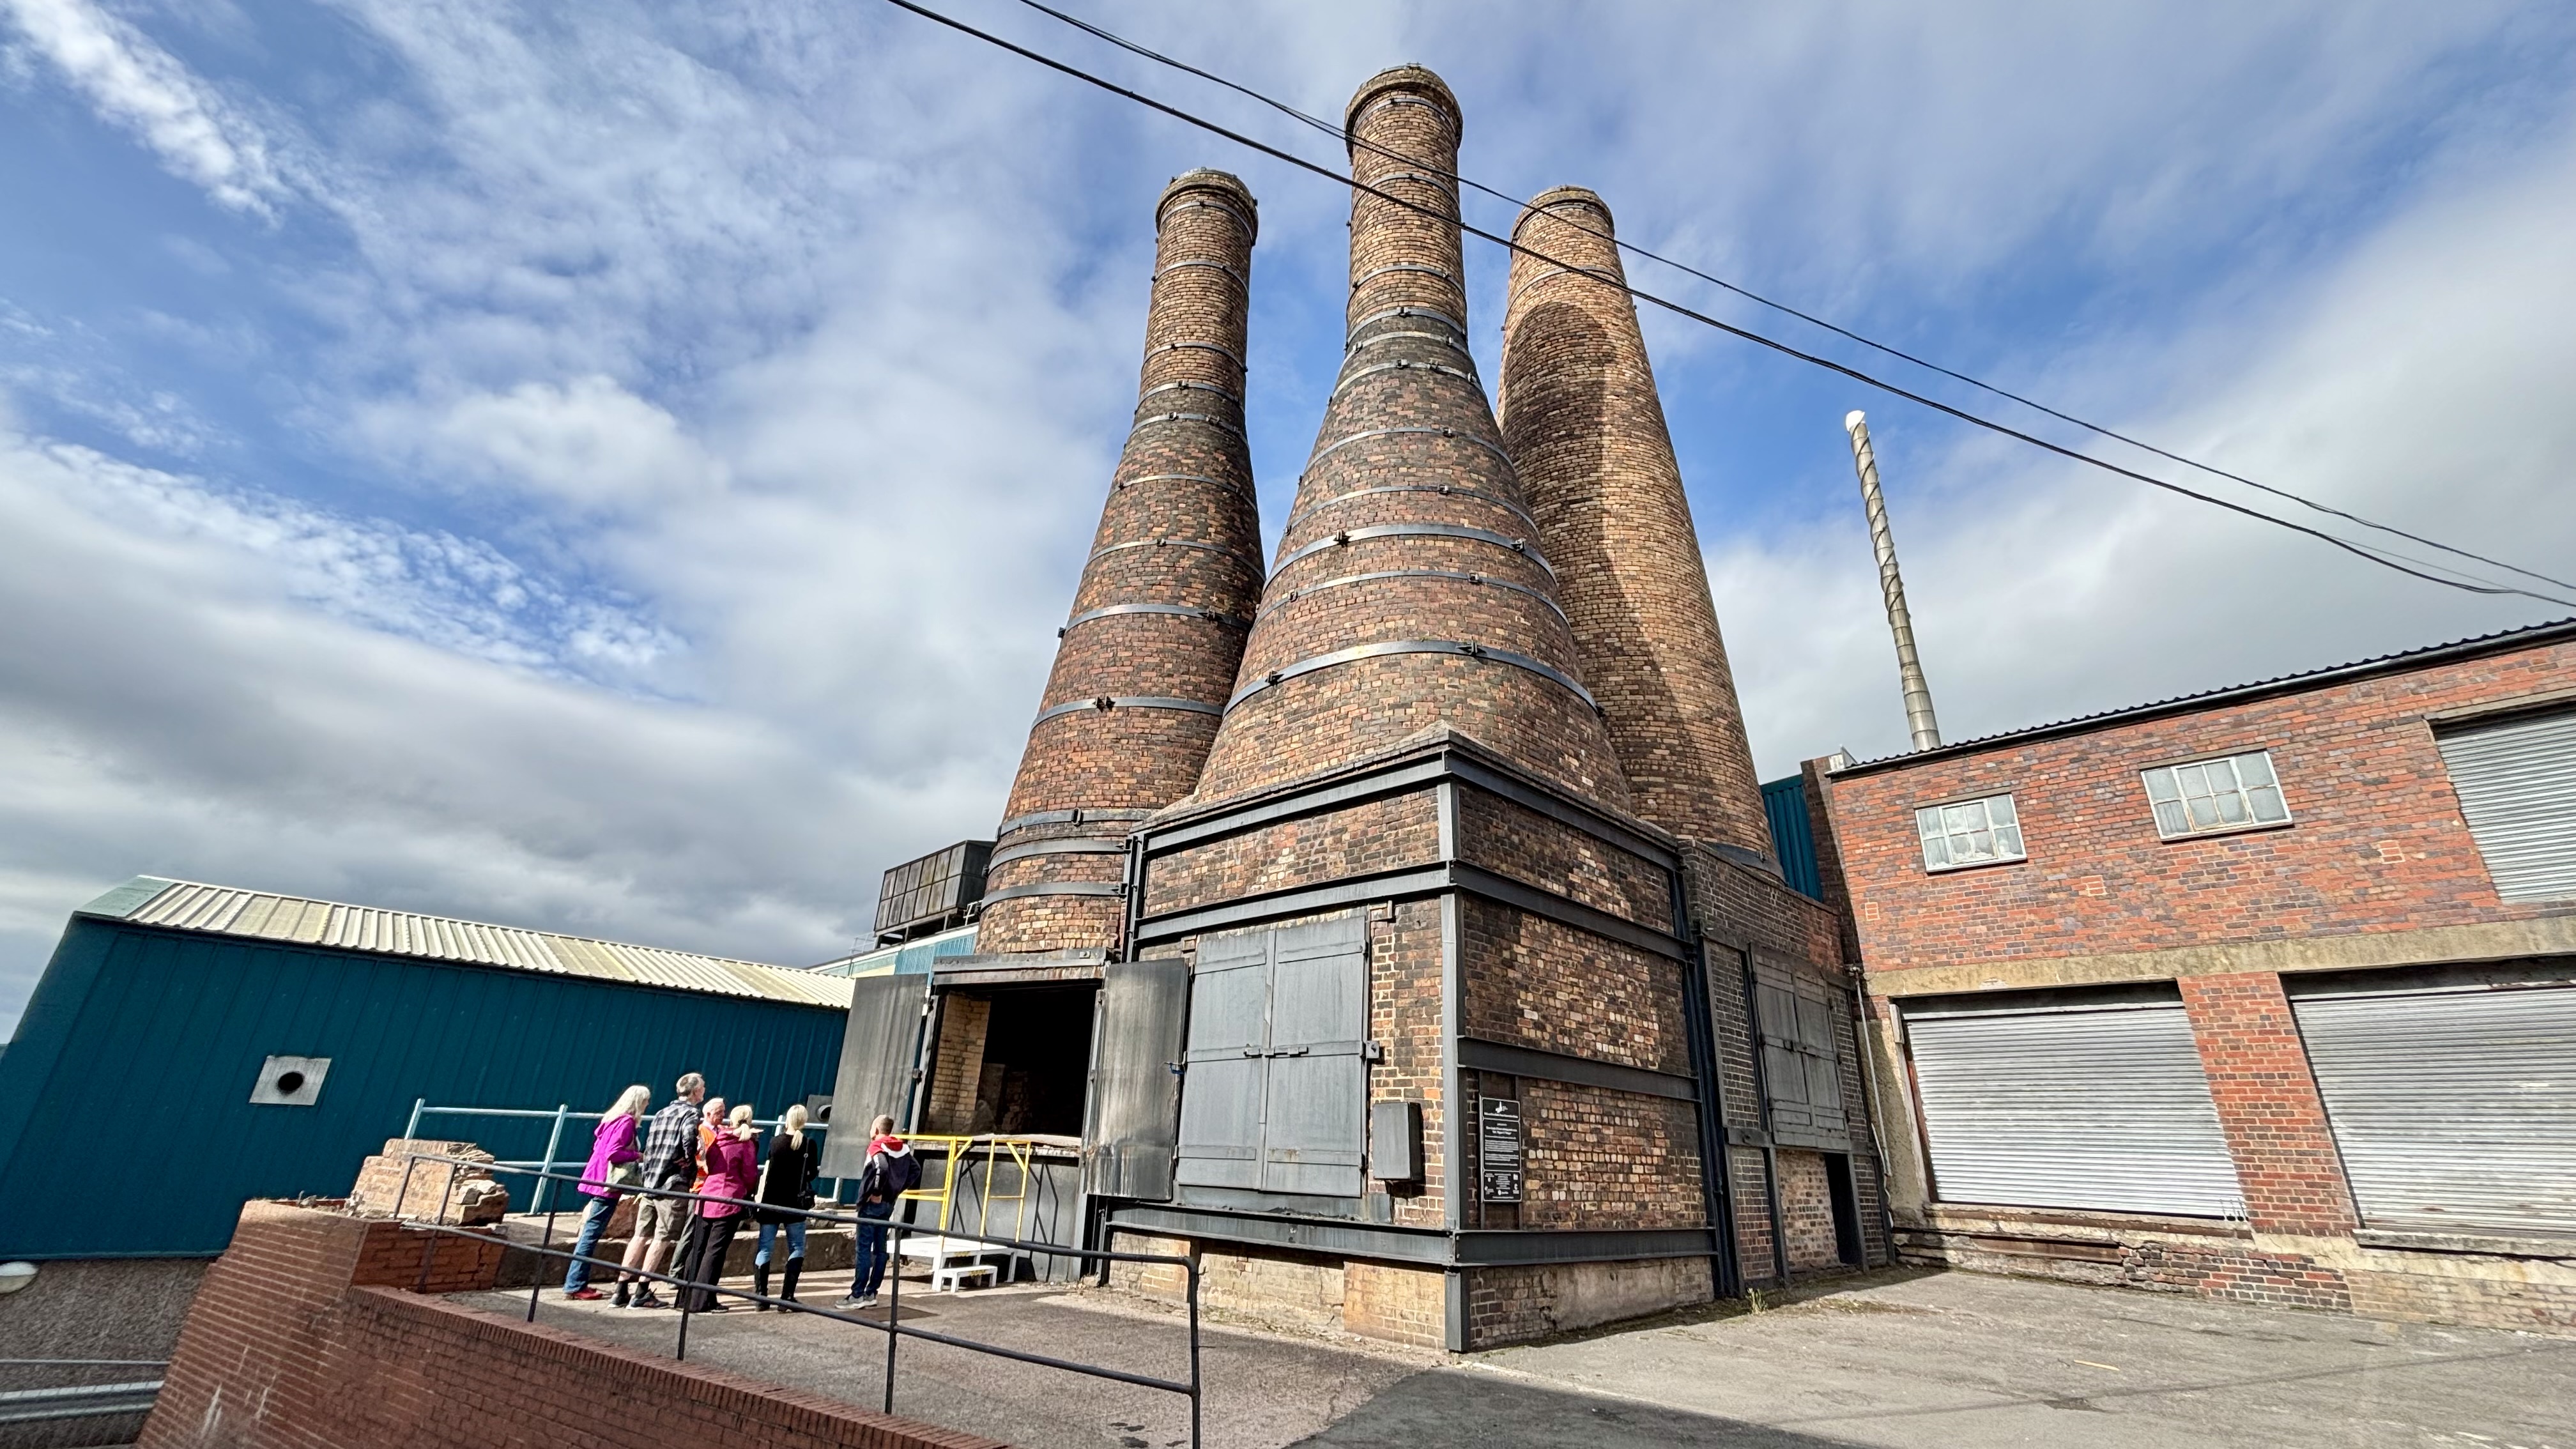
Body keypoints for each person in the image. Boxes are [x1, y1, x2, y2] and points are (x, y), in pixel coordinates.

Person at [616, 1072, 705, 1310]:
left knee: (640, 1235)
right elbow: (689, 1141)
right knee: (662, 1237)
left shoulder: (662, 1112)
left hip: (650, 1181)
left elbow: (650, 1144)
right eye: (703, 1086)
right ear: (696, 1091)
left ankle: (621, 1289)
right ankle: (643, 1290)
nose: (704, 1090)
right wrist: (690, 1161)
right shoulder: (691, 1113)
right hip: (671, 1182)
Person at [562, 1084, 650, 1301]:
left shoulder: (611, 1119)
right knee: (591, 1235)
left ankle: (575, 1283)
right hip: (607, 1184)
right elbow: (614, 1153)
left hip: (597, 1177)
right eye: (646, 1101)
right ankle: (575, 1285)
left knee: (589, 1234)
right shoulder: (627, 1122)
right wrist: (638, 1156)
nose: (648, 1105)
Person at [679, 1104, 761, 1313]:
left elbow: (709, 1165)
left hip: (707, 1196)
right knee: (715, 1251)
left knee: (697, 1248)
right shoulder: (746, 1144)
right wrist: (747, 1190)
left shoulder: (719, 1138)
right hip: (729, 1200)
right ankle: (702, 1301)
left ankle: (684, 1298)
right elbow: (750, 1175)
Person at [836, 1116, 918, 1310]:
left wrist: (877, 1192)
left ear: (876, 1129)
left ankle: (858, 1295)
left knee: (864, 1249)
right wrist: (898, 1189)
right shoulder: (903, 1148)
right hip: (889, 1204)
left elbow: (882, 1166)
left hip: (872, 1204)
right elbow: (915, 1169)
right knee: (880, 1249)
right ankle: (872, 1292)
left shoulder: (876, 1146)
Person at [752, 1103, 822, 1310]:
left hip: (771, 1200)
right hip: (795, 1202)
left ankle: (761, 1297)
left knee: (765, 1248)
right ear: (804, 1121)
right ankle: (787, 1296)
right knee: (797, 1247)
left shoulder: (775, 1142)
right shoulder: (809, 1144)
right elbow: (812, 1174)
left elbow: (769, 1168)